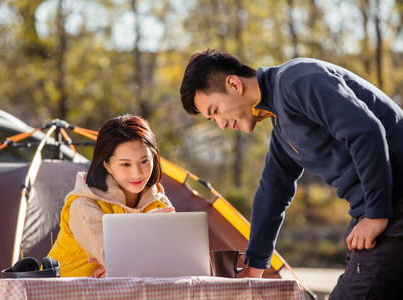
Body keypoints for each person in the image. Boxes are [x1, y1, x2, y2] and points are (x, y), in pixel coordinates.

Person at [179, 49, 403, 299]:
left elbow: (366, 131)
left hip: (393, 205)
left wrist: (376, 215)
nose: (221, 124)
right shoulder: (282, 126)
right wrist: (255, 263)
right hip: (379, 209)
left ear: (233, 84)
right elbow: (272, 191)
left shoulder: (296, 80)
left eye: (216, 110)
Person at [47, 114, 175, 278]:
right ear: (106, 164)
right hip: (67, 293)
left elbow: (173, 260)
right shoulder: (83, 204)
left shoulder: (158, 203)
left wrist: (118, 270)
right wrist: (145, 228)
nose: (137, 173)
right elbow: (113, 258)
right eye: (125, 164)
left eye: (144, 161)